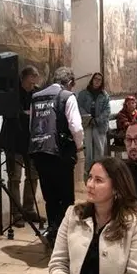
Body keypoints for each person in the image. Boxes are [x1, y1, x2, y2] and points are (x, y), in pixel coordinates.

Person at [29, 68, 85, 248]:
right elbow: (76, 126)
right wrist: (79, 147)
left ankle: (53, 231)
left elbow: (32, 124)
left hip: (39, 151)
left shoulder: (36, 96)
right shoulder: (67, 96)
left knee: (50, 196)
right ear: (69, 82)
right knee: (66, 196)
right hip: (60, 152)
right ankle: (65, 235)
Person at [4, 66, 43, 226]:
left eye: (35, 81)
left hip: (32, 141)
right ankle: (16, 213)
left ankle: (29, 209)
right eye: (30, 81)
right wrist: (25, 114)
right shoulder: (12, 93)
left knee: (33, 176)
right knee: (15, 178)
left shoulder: (37, 93)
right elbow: (11, 113)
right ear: (23, 78)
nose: (33, 85)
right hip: (14, 141)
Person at [76, 73, 112, 173]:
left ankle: (98, 170)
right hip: (87, 124)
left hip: (99, 125)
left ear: (102, 82)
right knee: (88, 149)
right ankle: (88, 170)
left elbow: (107, 111)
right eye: (95, 79)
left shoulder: (104, 95)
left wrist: (97, 120)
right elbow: (79, 107)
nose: (97, 81)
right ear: (92, 80)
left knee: (99, 149)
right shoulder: (83, 93)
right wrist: (89, 118)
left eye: (99, 79)